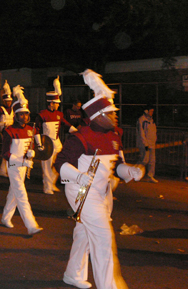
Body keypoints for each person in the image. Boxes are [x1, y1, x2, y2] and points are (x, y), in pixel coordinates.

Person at [55, 69, 143, 289]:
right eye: (111, 113)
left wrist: (130, 171)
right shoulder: (80, 137)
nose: (115, 116)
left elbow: (117, 167)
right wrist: (78, 176)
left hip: (103, 192)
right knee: (103, 239)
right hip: (81, 192)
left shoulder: (114, 135)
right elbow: (60, 162)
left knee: (84, 233)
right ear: (98, 116)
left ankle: (73, 274)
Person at [1, 85, 43, 235]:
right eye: (21, 114)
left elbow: (29, 147)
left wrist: (31, 154)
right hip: (13, 166)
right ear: (16, 116)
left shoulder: (30, 130)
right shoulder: (9, 131)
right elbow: (5, 153)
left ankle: (5, 217)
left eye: (26, 114)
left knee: (14, 193)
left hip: (24, 166)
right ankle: (31, 225)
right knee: (21, 195)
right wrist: (21, 161)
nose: (24, 117)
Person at [35, 76, 77, 194]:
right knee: (47, 167)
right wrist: (39, 144)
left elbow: (66, 125)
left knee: (60, 163)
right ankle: (47, 186)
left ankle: (52, 183)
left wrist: (78, 132)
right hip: (46, 143)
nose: (58, 105)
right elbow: (36, 130)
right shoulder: (42, 114)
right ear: (51, 103)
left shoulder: (59, 114)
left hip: (57, 142)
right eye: (57, 103)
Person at [0, 80, 14, 177]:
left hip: (12, 132)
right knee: (7, 150)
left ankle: (5, 169)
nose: (9, 103)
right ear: (4, 101)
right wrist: (4, 123)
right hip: (4, 132)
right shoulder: (0, 109)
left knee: (10, 151)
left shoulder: (13, 109)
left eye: (10, 101)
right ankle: (3, 170)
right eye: (7, 101)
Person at [136, 103, 158, 183]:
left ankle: (150, 176)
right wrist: (145, 144)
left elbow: (154, 132)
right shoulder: (142, 120)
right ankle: (135, 173)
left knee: (152, 161)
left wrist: (154, 140)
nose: (152, 113)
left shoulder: (151, 120)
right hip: (145, 144)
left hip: (152, 144)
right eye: (151, 111)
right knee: (145, 160)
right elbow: (141, 133)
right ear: (146, 111)